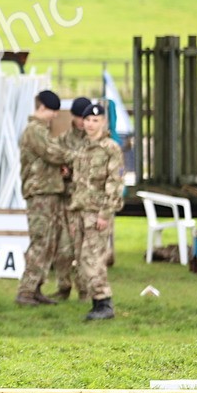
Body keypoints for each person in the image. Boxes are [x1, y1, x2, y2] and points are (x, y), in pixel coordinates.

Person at [15, 90, 73, 306]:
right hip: (40, 193)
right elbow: (52, 153)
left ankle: (37, 287)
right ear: (41, 109)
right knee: (41, 241)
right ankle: (26, 291)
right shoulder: (34, 130)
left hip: (49, 190)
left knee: (49, 242)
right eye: (52, 111)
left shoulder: (42, 130)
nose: (55, 116)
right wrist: (75, 156)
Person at [70, 102, 124, 320]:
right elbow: (78, 183)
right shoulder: (82, 148)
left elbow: (115, 182)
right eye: (88, 120)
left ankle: (104, 303)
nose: (91, 124)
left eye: (96, 120)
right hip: (80, 211)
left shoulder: (110, 148)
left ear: (103, 122)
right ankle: (95, 302)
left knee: (93, 258)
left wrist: (105, 213)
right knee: (82, 259)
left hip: (97, 212)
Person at [51, 97, 93, 300]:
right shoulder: (64, 140)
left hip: (87, 202)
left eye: (86, 117)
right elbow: (58, 163)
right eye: (79, 117)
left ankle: (85, 290)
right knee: (64, 248)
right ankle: (63, 287)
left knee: (85, 249)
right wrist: (64, 171)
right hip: (67, 200)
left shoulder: (95, 140)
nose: (83, 122)